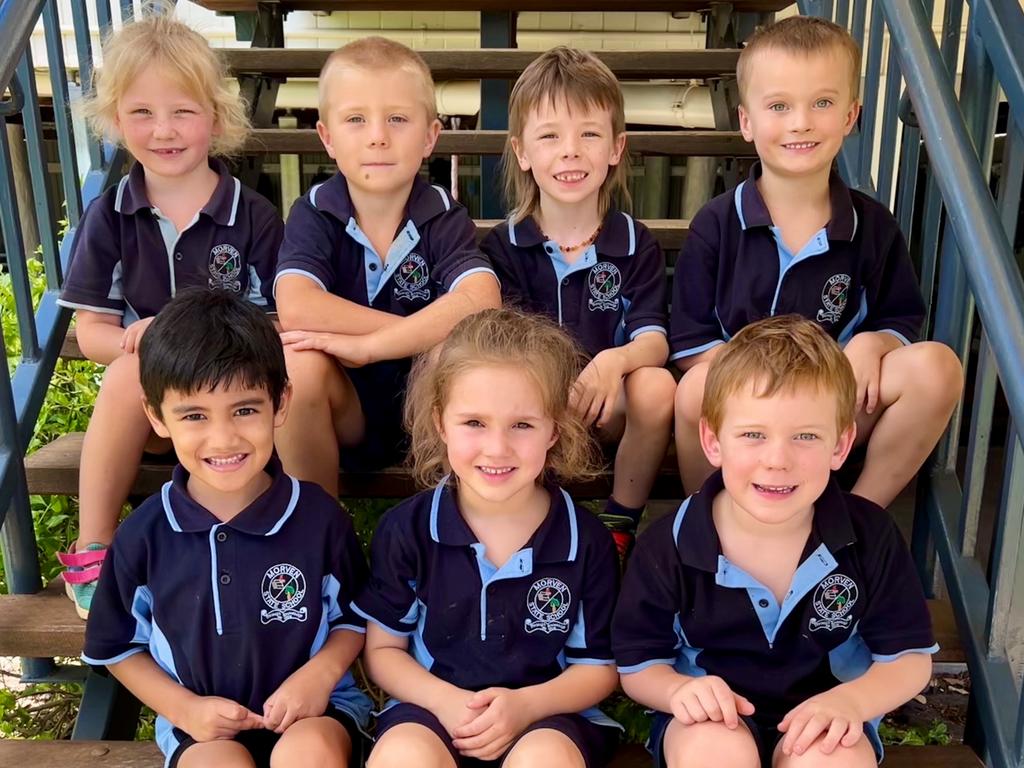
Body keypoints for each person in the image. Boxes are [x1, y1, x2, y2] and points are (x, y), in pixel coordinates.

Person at [615, 315, 937, 768]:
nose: (777, 460)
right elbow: (638, 663)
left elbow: (908, 660)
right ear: (712, 440)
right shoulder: (670, 542)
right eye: (752, 435)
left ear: (841, 445)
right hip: (709, 719)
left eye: (805, 436)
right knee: (715, 751)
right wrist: (678, 690)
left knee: (831, 759)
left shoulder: (869, 536)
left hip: (827, 717)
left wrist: (853, 704)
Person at [670, 16, 962, 506]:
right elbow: (690, 341)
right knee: (694, 389)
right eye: (779, 106)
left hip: (833, 405)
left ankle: (860, 518)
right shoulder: (717, 224)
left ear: (850, 116)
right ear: (746, 122)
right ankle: (712, 518)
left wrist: (874, 342)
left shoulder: (872, 226)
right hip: (746, 412)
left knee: (937, 368)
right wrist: (763, 387)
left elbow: (901, 317)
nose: (800, 121)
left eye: (822, 103)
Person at [82, 289, 371, 768]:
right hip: (202, 729)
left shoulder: (318, 518)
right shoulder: (145, 535)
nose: (223, 438)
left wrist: (319, 677)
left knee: (309, 755)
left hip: (316, 713)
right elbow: (116, 646)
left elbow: (354, 617)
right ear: (156, 416)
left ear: (280, 404)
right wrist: (184, 709)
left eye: (245, 410)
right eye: (194, 415)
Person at [55, 14, 283, 618]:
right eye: (141, 113)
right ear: (114, 119)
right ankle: (96, 547)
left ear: (215, 115)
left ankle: (296, 538)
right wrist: (140, 340)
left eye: (182, 111)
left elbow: (283, 322)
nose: (163, 131)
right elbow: (93, 331)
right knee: (126, 373)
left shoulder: (253, 214)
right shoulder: (110, 215)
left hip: (238, 400)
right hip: (155, 404)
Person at [355, 308, 622, 768]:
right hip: (435, 709)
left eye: (522, 425)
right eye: (474, 423)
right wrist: (445, 702)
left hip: (547, 715)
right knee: (401, 757)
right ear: (440, 422)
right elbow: (382, 651)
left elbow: (597, 669)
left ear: (554, 429)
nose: (496, 448)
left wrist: (526, 708)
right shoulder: (410, 530)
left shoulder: (585, 539)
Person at [274, 36, 500, 495]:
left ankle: (447, 531)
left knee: (454, 356)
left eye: (397, 119)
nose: (378, 135)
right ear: (328, 138)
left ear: (430, 137)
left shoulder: (441, 213)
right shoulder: (316, 211)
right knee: (297, 362)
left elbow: (481, 301)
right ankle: (314, 535)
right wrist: (406, 332)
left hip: (428, 407)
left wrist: (372, 346)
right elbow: (298, 305)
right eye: (356, 119)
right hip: (344, 410)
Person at [481, 47, 674, 559]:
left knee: (655, 386)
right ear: (522, 152)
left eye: (589, 133)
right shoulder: (503, 248)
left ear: (616, 147)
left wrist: (616, 362)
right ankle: (524, 525)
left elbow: (654, 337)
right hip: (530, 412)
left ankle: (618, 527)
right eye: (550, 136)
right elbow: (497, 347)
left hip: (606, 414)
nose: (571, 152)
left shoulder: (636, 243)